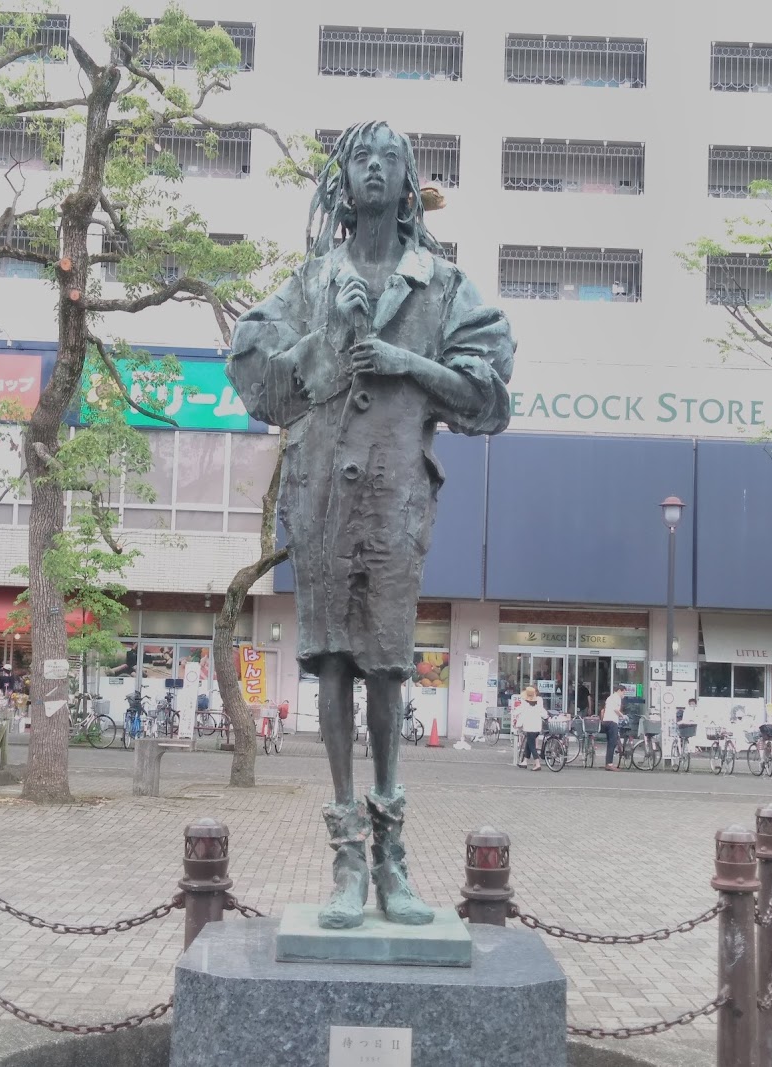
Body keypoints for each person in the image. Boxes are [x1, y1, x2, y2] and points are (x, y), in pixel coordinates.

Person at [227, 120, 515, 930]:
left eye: (391, 158)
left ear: (409, 179)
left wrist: (406, 364)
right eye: (363, 158)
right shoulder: (313, 281)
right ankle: (346, 855)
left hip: (395, 495)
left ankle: (391, 857)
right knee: (330, 660)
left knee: (386, 663)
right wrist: (330, 336)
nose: (377, 168)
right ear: (344, 181)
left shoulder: (442, 284)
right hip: (320, 490)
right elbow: (256, 378)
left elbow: (488, 393)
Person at [514, 685, 544, 770]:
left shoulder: (525, 704)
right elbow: (543, 713)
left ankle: (537, 764)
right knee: (528, 743)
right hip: (537, 727)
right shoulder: (539, 702)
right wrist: (547, 717)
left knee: (531, 746)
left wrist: (517, 724)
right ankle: (525, 761)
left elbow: (520, 713)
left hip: (529, 728)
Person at [602, 682, 627, 771]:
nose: (624, 695)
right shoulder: (617, 698)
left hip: (606, 721)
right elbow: (616, 710)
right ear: (619, 691)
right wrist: (623, 716)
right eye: (623, 692)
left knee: (610, 743)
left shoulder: (610, 697)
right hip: (612, 722)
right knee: (612, 743)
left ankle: (608, 763)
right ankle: (609, 764)